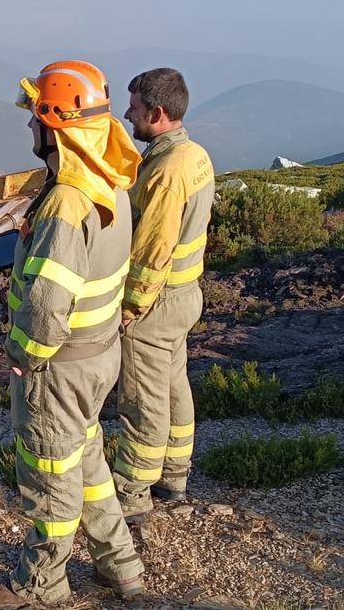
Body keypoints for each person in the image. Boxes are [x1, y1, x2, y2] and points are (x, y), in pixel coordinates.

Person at [0, 61, 146, 609]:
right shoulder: (110, 181)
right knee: (87, 460)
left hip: (58, 367)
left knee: (51, 476)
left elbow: (50, 301)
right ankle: (119, 566)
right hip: (99, 355)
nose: (29, 127)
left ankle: (39, 588)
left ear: (54, 125)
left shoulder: (65, 202)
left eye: (35, 118)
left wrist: (24, 355)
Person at [112, 68, 215, 523]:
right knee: (174, 387)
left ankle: (133, 492)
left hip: (156, 303)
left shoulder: (165, 172)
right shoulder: (195, 155)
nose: (126, 115)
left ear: (155, 113)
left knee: (143, 399)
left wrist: (130, 308)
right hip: (185, 294)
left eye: (133, 108)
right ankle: (175, 477)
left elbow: (152, 250)